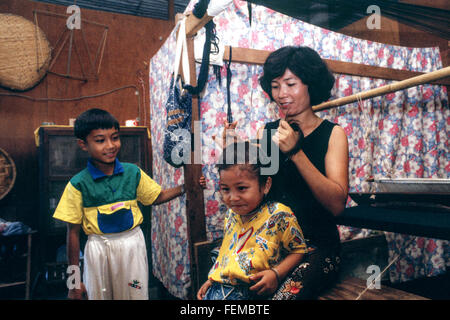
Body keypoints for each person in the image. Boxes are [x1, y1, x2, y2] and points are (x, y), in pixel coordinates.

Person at [222, 46, 349, 299]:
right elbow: (260, 196)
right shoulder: (266, 133)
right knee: (227, 290)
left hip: (317, 248)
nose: (281, 94)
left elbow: (336, 206)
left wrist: (296, 153)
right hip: (272, 245)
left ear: (311, 84)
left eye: (290, 84)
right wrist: (233, 152)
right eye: (276, 86)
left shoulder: (333, 134)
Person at [53, 108, 185, 300]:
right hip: (98, 253)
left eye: (115, 138)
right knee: (99, 295)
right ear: (83, 144)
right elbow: (72, 233)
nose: (110, 145)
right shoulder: (78, 184)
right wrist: (73, 283)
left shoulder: (133, 173)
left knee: (135, 290)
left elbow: (156, 197)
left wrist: (185, 187)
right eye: (100, 140)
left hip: (133, 249)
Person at [197, 141, 308, 300]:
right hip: (216, 291)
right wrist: (212, 279)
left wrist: (276, 274)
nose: (233, 198)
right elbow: (226, 252)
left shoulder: (279, 215)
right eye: (225, 189)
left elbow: (299, 250)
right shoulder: (231, 215)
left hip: (252, 293)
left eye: (241, 188)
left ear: (265, 185)